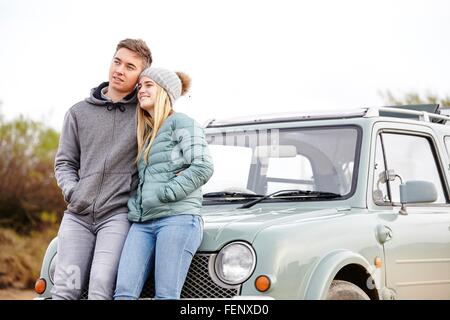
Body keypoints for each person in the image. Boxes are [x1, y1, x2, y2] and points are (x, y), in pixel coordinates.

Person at [52, 39, 152, 300]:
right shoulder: (78, 113)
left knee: (100, 285)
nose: (119, 70)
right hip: (77, 217)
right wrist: (73, 192)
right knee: (65, 288)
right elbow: (64, 162)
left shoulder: (144, 117)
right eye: (117, 61)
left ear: (141, 77)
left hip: (116, 217)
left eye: (130, 67)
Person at [114, 67, 214, 300]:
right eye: (140, 86)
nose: (141, 90)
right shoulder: (147, 133)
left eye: (149, 85)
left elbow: (203, 166)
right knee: (123, 294)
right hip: (142, 222)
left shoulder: (182, 123)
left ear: (165, 92)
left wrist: (166, 193)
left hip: (177, 219)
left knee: (166, 296)